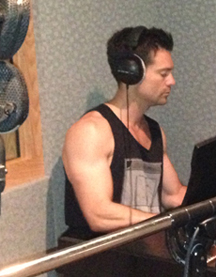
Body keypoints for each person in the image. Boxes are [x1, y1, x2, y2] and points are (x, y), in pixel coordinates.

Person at [62, 26, 187, 238]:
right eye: (164, 74)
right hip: (103, 263)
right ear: (131, 72)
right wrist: (166, 222)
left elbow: (173, 195)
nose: (171, 81)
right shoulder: (91, 132)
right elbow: (99, 214)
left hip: (146, 253)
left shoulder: (154, 132)